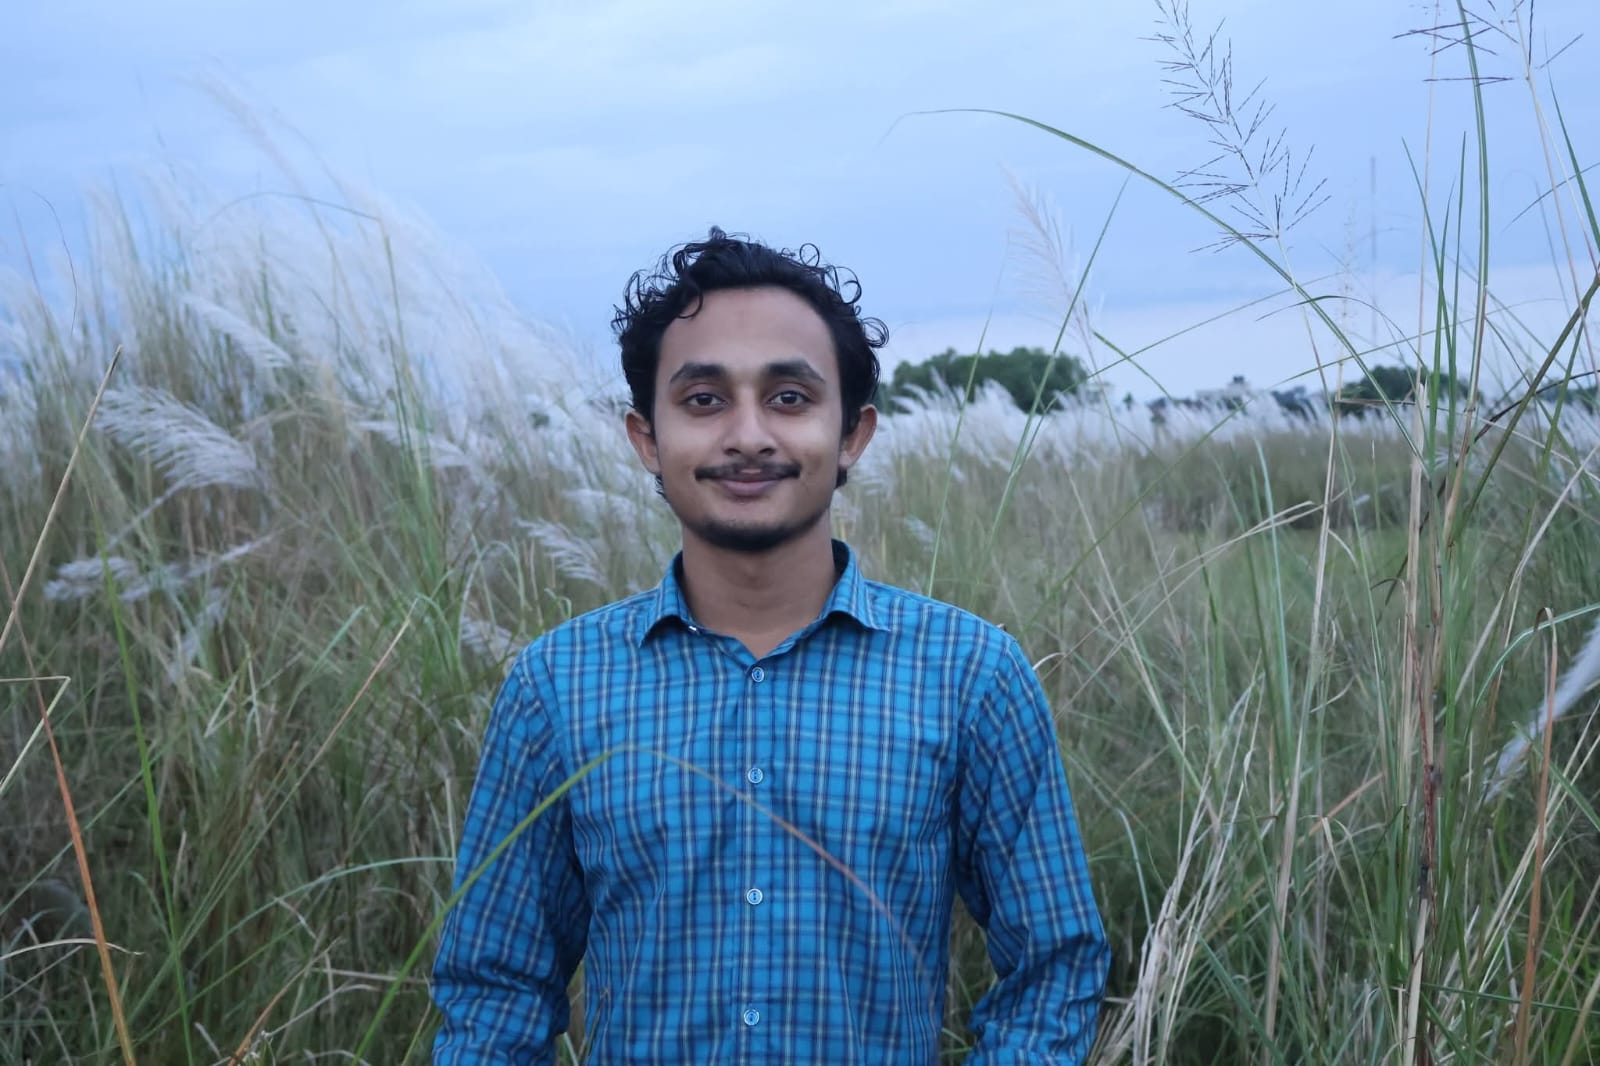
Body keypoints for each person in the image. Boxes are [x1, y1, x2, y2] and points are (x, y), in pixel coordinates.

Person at [430, 228, 1110, 1063]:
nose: (748, 435)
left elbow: (1053, 966)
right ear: (646, 438)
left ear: (852, 433)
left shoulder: (970, 676)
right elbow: (494, 993)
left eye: (789, 397)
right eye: (703, 400)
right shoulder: (559, 684)